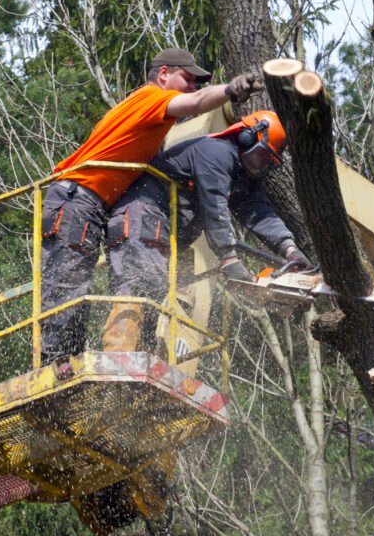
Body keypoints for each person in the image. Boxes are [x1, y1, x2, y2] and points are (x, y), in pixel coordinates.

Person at [40, 48, 261, 370]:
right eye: (187, 79)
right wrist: (230, 90)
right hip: (76, 198)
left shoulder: (147, 123)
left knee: (79, 284)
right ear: (163, 75)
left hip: (88, 203)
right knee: (67, 281)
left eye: (198, 83)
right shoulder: (150, 99)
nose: (193, 87)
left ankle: (65, 361)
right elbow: (198, 104)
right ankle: (53, 364)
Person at [101, 110, 312, 351]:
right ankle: (118, 358)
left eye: (267, 163)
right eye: (262, 157)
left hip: (160, 232)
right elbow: (215, 207)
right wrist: (229, 259)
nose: (260, 166)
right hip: (141, 219)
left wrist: (290, 250)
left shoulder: (239, 173)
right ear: (246, 137)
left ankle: (138, 360)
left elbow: (259, 212)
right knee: (138, 288)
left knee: (153, 299)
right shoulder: (216, 152)